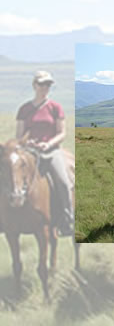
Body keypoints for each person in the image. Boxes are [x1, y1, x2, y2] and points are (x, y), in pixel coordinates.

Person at [15, 71, 73, 236]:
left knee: (64, 182)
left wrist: (48, 144)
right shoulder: (24, 109)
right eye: (42, 84)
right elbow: (19, 136)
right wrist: (28, 142)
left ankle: (67, 221)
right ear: (34, 85)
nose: (45, 87)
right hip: (28, 151)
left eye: (48, 84)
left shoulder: (55, 108)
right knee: (10, 175)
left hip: (51, 151)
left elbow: (61, 133)